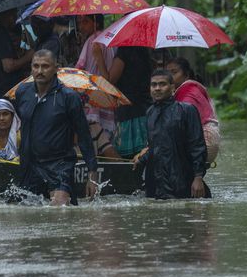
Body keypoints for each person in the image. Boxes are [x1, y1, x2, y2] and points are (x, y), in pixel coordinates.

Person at [14, 49, 98, 205]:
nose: (40, 71)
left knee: (60, 209)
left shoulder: (69, 97)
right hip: (30, 164)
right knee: (27, 214)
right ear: (31, 67)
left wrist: (92, 173)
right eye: (36, 66)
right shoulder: (22, 92)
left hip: (60, 164)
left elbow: (84, 135)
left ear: (56, 68)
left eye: (45, 66)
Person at [132, 70, 209, 199]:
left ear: (172, 87)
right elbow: (155, 146)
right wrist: (142, 159)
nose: (157, 88)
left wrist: (198, 177)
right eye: (154, 85)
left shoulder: (187, 110)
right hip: (157, 182)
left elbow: (198, 146)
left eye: (162, 84)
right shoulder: (150, 113)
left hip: (182, 179)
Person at [75, 14, 119, 157]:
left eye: (85, 22)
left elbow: (79, 69)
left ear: (96, 23)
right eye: (79, 22)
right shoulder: (110, 40)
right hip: (107, 96)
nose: (81, 26)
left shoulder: (92, 41)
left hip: (92, 97)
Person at [166, 57, 220, 163]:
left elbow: (180, 126)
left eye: (174, 72)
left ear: (186, 74)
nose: (169, 77)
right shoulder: (189, 89)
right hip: (206, 143)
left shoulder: (188, 94)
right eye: (167, 73)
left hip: (203, 145)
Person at [102, 46, 154, 158]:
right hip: (145, 109)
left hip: (129, 111)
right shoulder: (145, 50)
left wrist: (98, 58)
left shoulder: (125, 50)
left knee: (129, 160)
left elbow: (110, 80)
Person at [0, 8, 34, 100]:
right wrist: (28, 56)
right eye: (13, 14)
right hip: (5, 92)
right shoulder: (0, 33)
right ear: (6, 15)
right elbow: (8, 66)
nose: (16, 17)